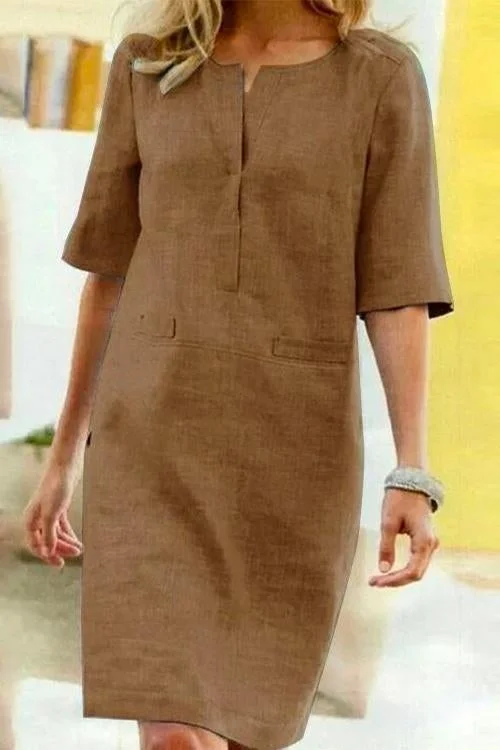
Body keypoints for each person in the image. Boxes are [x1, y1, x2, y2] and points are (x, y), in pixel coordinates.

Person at [22, 0, 454, 749]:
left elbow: (398, 288)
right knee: (174, 735)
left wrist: (411, 469)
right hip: (150, 441)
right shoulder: (148, 65)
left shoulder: (381, 78)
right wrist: (64, 457)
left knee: (245, 728)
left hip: (294, 455)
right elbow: (108, 275)